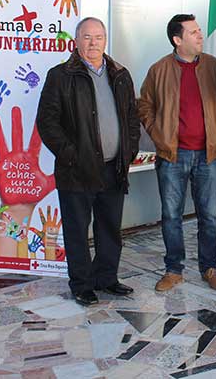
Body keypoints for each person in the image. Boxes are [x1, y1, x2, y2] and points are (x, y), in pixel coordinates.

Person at [36, 17, 140, 306]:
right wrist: (71, 155)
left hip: (113, 168)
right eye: (87, 37)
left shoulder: (120, 74)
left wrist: (128, 150)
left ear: (105, 40)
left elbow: (132, 117)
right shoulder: (61, 76)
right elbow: (47, 122)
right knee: (77, 231)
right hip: (76, 170)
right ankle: (81, 284)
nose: (93, 43)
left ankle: (106, 278)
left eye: (98, 37)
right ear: (76, 40)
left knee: (110, 227)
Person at [138, 14, 216, 293]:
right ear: (177, 40)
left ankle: (209, 268)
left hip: (208, 155)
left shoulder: (214, 67)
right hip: (173, 156)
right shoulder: (159, 70)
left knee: (210, 216)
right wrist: (158, 134)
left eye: (199, 30)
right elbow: (144, 105)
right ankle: (173, 270)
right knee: (171, 216)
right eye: (193, 32)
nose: (200, 35)